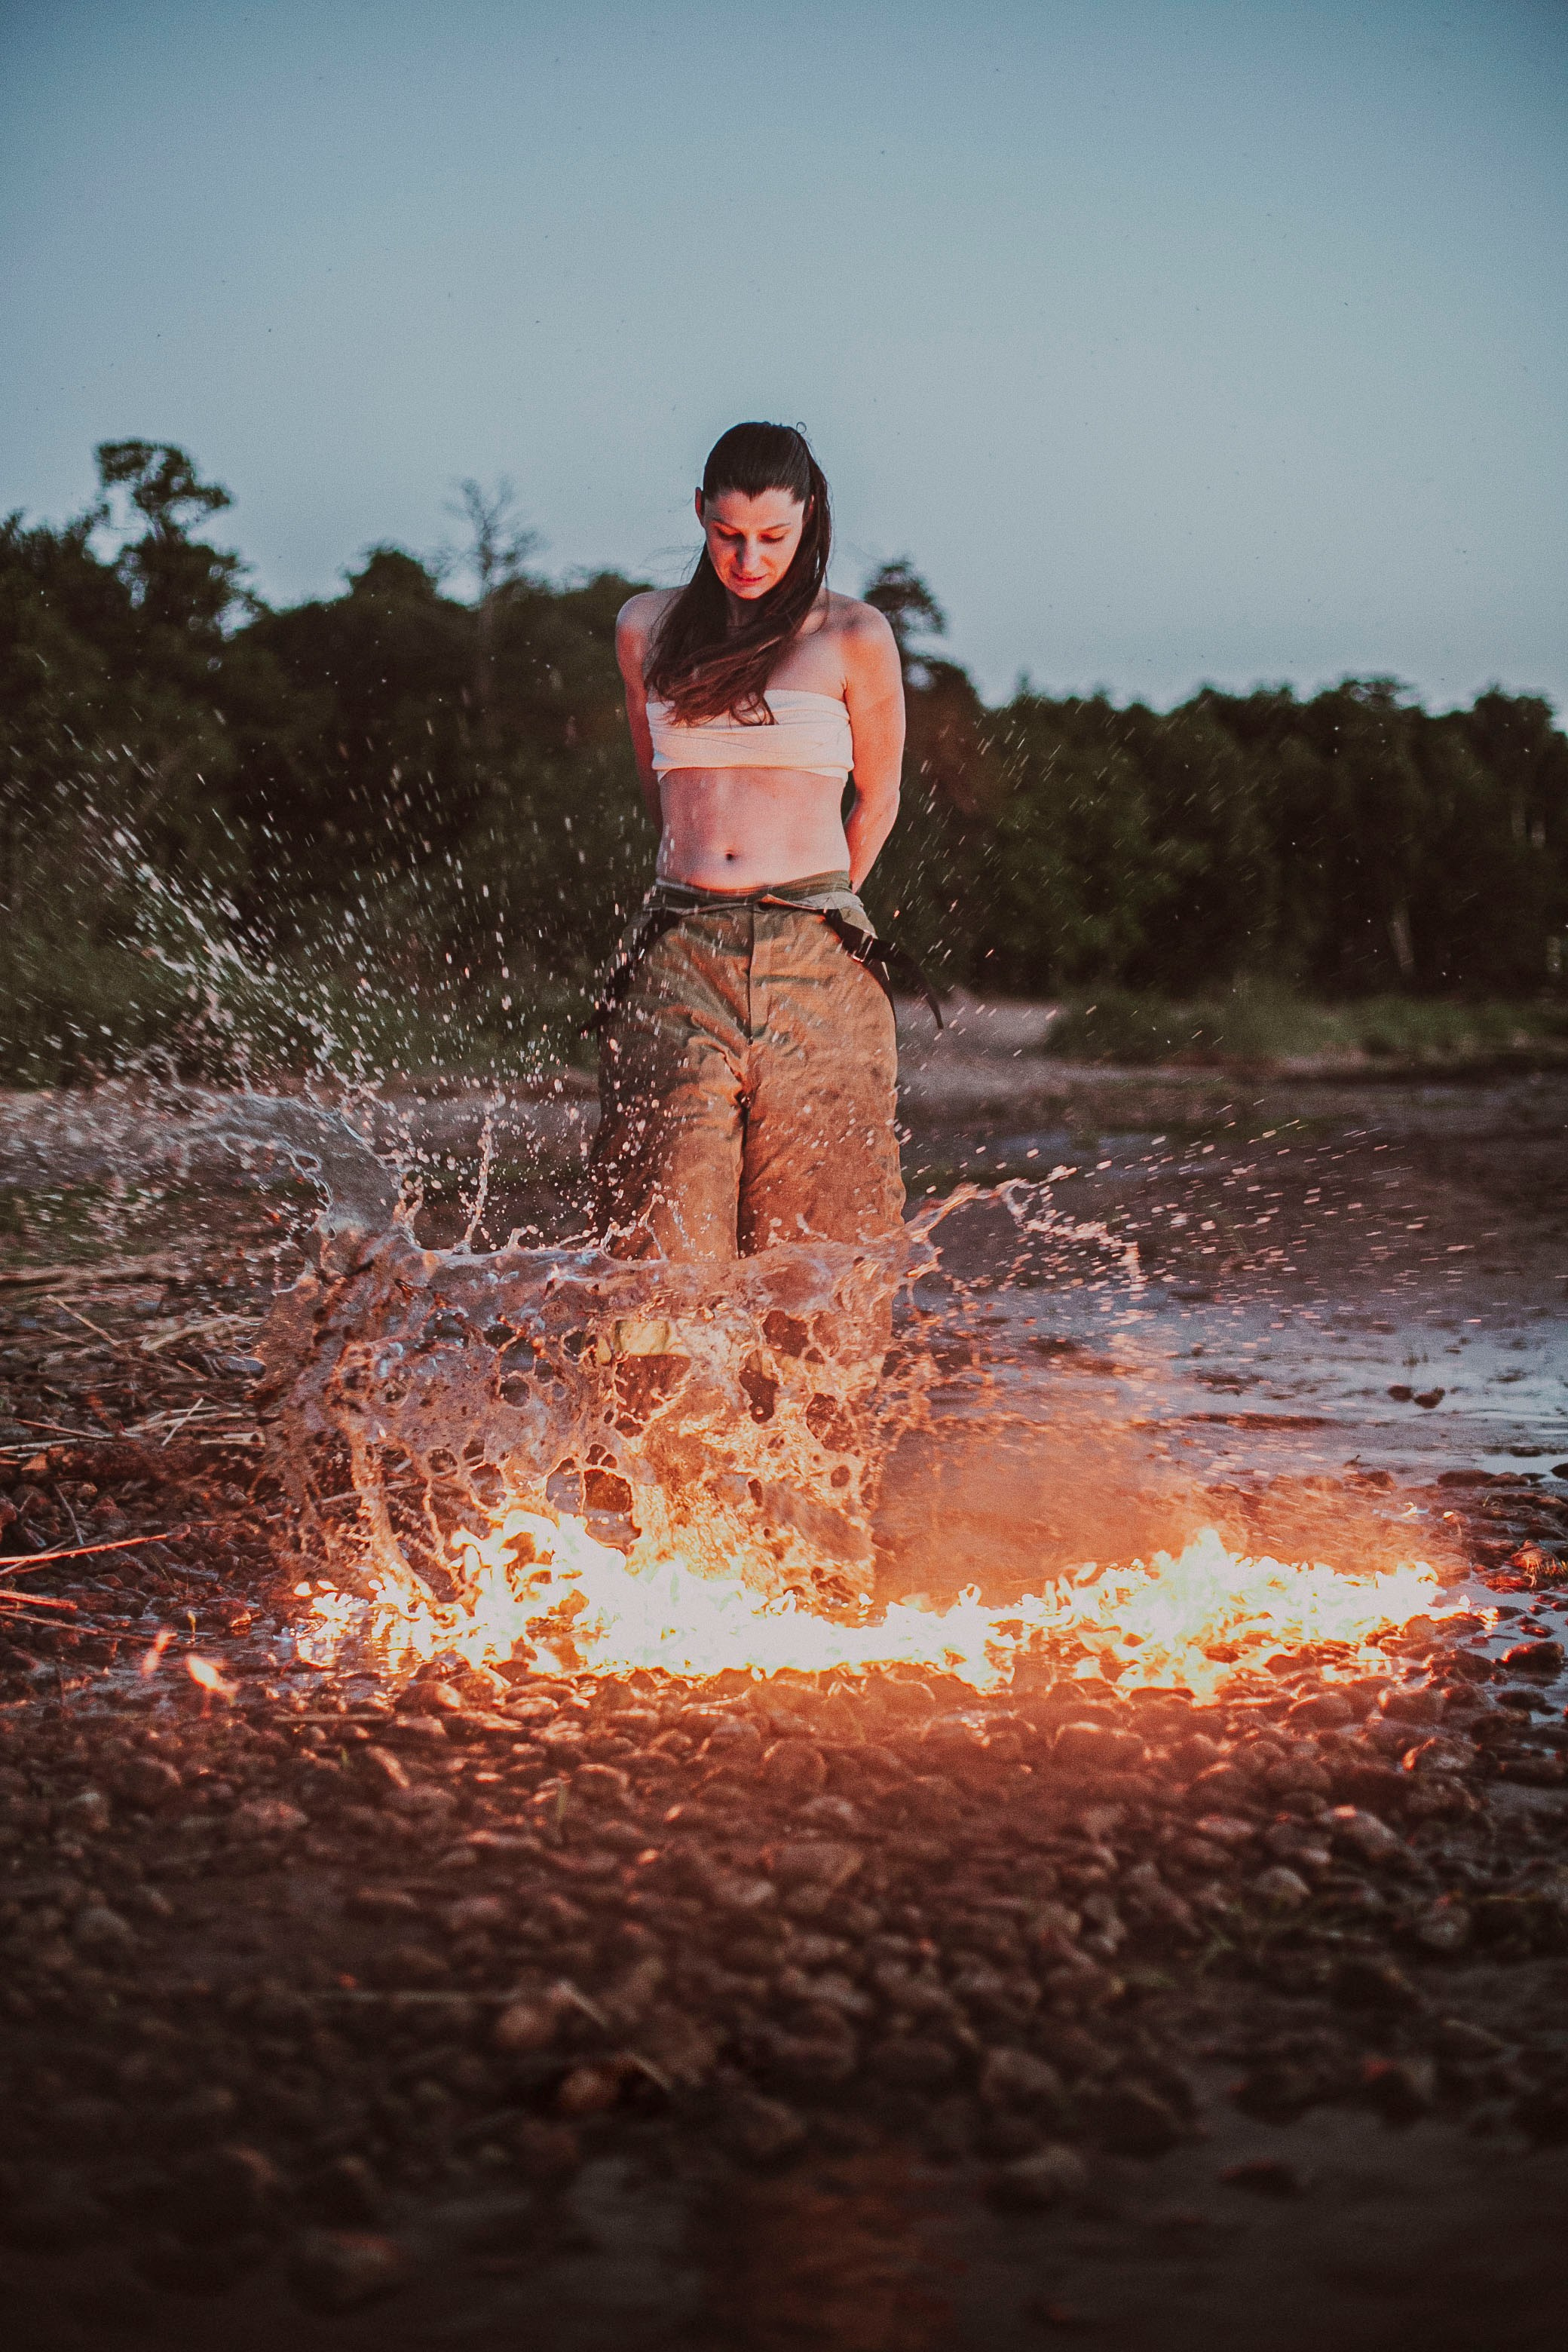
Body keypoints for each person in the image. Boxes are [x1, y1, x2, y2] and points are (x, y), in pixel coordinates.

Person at [593, 420, 920, 1263]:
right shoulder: (645, 627)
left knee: (821, 1252)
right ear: (700, 512)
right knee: (654, 1245)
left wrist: (819, 908)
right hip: (679, 945)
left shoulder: (852, 635)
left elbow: (879, 797)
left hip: (814, 948)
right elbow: (658, 782)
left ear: (809, 517)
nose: (748, 559)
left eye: (773, 536)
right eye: (727, 534)